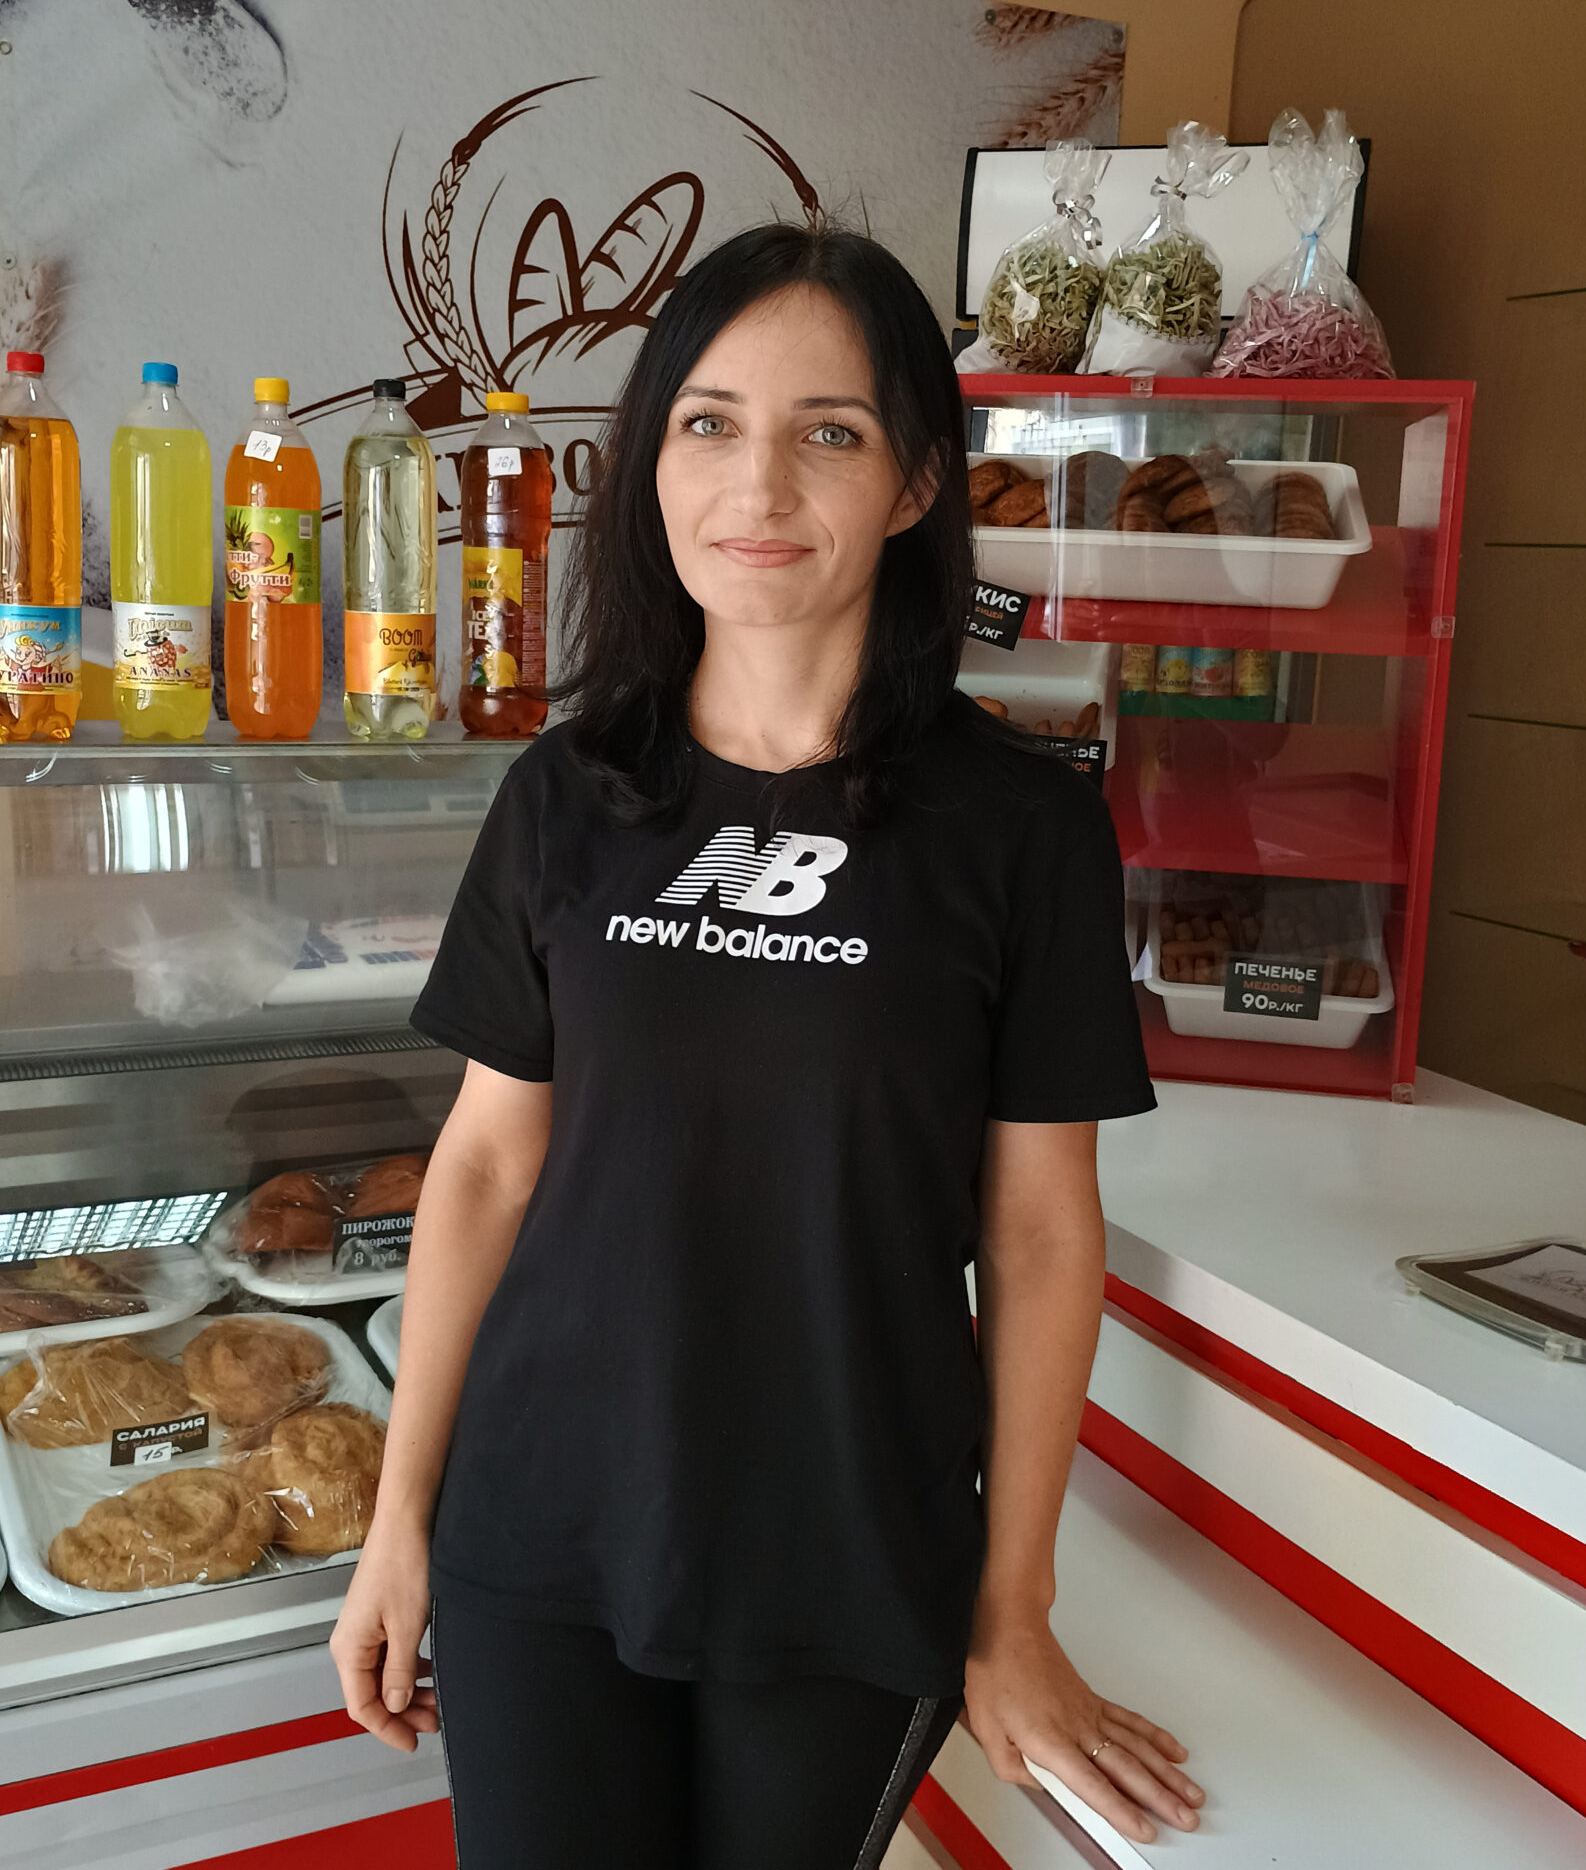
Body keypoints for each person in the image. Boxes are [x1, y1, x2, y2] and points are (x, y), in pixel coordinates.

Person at [331, 221, 1206, 1868]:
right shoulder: (569, 792)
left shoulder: (1019, 828)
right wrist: (400, 1522)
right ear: (652, 461)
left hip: (846, 1550)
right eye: (709, 423)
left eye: (833, 433)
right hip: (543, 1529)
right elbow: (487, 1169)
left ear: (918, 482)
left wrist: (1013, 1606)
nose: (760, 485)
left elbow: (1037, 1231)